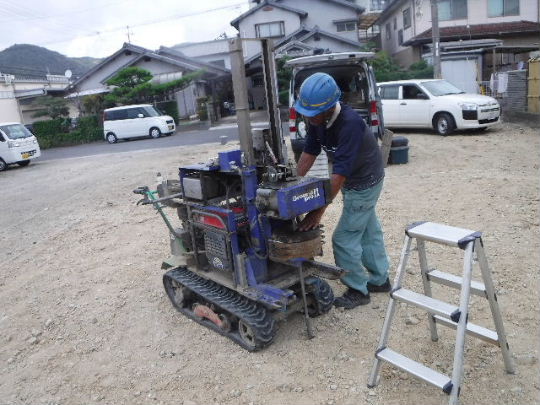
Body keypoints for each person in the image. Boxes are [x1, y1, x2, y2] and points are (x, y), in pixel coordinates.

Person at [295, 72, 390, 309]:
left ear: (328, 108)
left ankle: (358, 290)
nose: (309, 118)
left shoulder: (350, 124)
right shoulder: (317, 120)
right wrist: (292, 183)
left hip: (364, 182)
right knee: (369, 231)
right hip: (355, 179)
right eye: (306, 113)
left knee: (344, 239)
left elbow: (339, 174)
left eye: (312, 114)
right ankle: (380, 280)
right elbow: (309, 152)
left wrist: (317, 212)